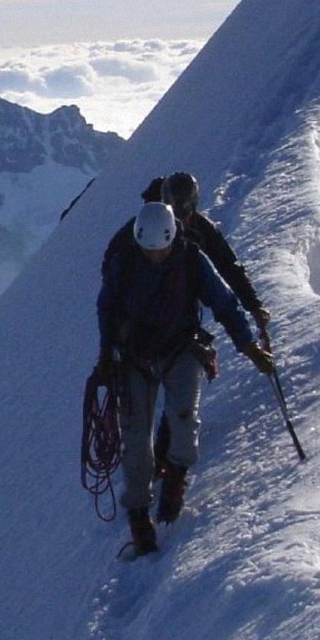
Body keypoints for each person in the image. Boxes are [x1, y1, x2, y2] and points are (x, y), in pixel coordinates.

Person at [97, 202, 273, 556]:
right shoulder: (126, 262)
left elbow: (224, 303)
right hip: (135, 356)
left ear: (171, 238)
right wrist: (106, 355)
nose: (156, 257)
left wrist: (249, 346)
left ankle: (175, 477)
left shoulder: (192, 260)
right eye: (150, 251)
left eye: (160, 250)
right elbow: (107, 308)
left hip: (179, 349)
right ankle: (139, 514)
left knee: (182, 417)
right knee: (135, 434)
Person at [103, 171, 272, 474]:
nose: (181, 219)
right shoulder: (149, 229)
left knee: (178, 392)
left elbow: (227, 269)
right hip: (141, 329)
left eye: (185, 212)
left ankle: (167, 461)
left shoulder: (184, 231)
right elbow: (112, 273)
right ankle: (163, 463)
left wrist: (252, 307)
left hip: (177, 324)